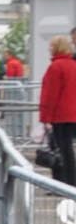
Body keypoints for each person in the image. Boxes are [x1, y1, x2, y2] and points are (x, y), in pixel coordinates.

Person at [39, 36, 76, 203]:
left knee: (61, 150)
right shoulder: (73, 65)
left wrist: (45, 117)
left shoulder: (56, 67)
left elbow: (50, 94)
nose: (49, 48)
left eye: (51, 45)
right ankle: (70, 182)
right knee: (67, 151)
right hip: (72, 114)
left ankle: (64, 183)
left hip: (60, 115)